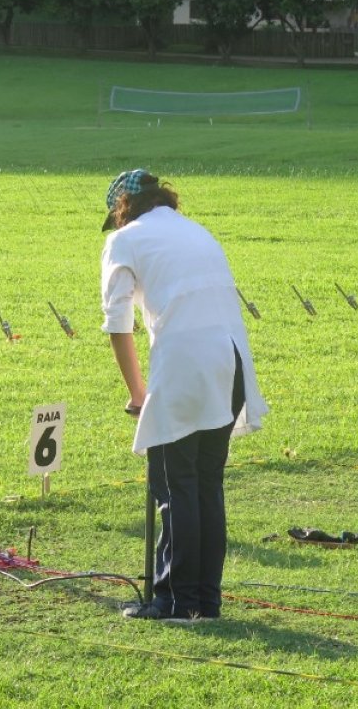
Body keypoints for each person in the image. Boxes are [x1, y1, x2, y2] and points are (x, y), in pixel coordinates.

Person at [100, 168, 268, 621]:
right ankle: (205, 601)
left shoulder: (125, 240)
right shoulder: (197, 231)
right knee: (206, 485)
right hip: (230, 363)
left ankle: (173, 601)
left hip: (185, 364)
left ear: (122, 208)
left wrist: (137, 393)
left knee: (175, 486)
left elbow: (118, 323)